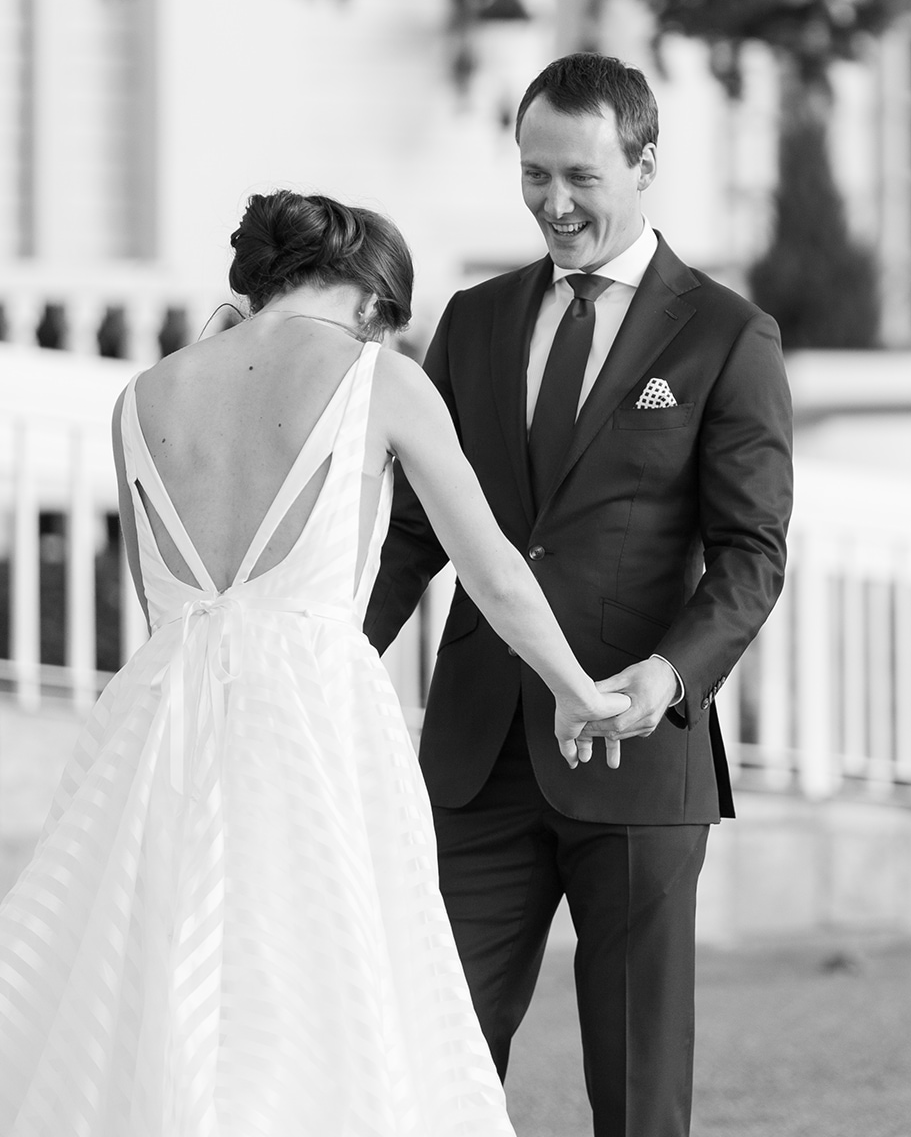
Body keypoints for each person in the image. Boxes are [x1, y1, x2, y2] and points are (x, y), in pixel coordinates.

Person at [0, 190, 629, 1137]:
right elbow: (494, 571)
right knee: (326, 977)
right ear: (373, 298)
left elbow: (159, 604)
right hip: (312, 715)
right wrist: (576, 690)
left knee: (150, 975)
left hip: (160, 719)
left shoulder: (144, 396)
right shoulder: (379, 379)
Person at [364, 53, 794, 1137]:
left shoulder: (725, 336)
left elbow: (750, 553)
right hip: (477, 758)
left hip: (637, 756)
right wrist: (326, 653)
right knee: (429, 1062)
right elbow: (414, 531)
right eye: (533, 174)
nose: (553, 203)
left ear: (644, 164)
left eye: (580, 177)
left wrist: (670, 676)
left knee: (638, 1096)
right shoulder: (473, 321)